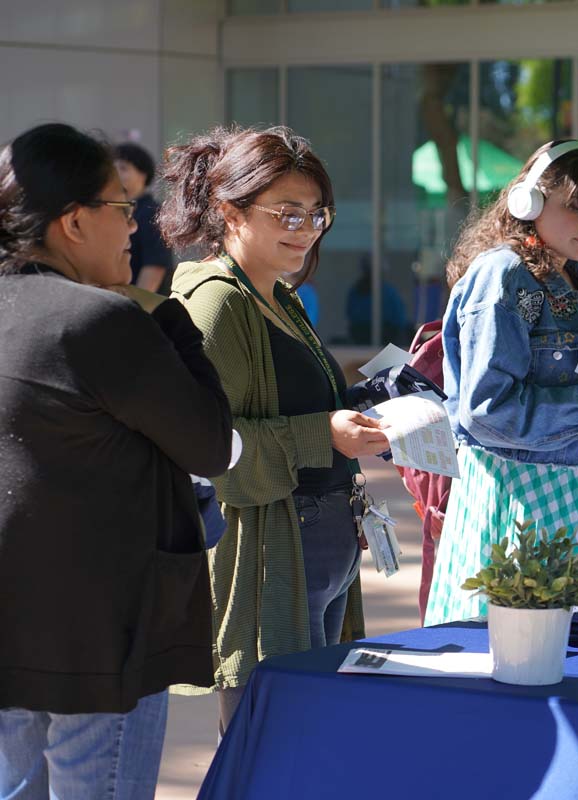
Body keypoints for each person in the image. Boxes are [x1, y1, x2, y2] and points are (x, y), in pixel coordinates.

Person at [0, 123, 232, 798]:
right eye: (122, 208)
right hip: (106, 637)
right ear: (73, 221)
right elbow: (212, 445)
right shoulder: (101, 321)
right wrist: (174, 325)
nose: (135, 227)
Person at [157, 125, 390, 734]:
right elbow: (210, 447)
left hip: (320, 541)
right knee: (272, 744)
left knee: (310, 740)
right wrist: (324, 434)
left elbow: (297, 405)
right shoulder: (217, 304)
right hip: (272, 550)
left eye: (317, 214)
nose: (305, 228)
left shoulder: (278, 295)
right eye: (287, 212)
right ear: (230, 210)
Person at [424, 139, 578, 626]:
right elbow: (488, 410)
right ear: (528, 202)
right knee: (523, 649)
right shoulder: (504, 274)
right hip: (534, 504)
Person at [114, 141, 173, 293]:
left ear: (143, 175)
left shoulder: (151, 212)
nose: (116, 173)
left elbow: (155, 266)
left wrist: (137, 304)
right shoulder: (116, 209)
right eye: (113, 168)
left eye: (123, 168)